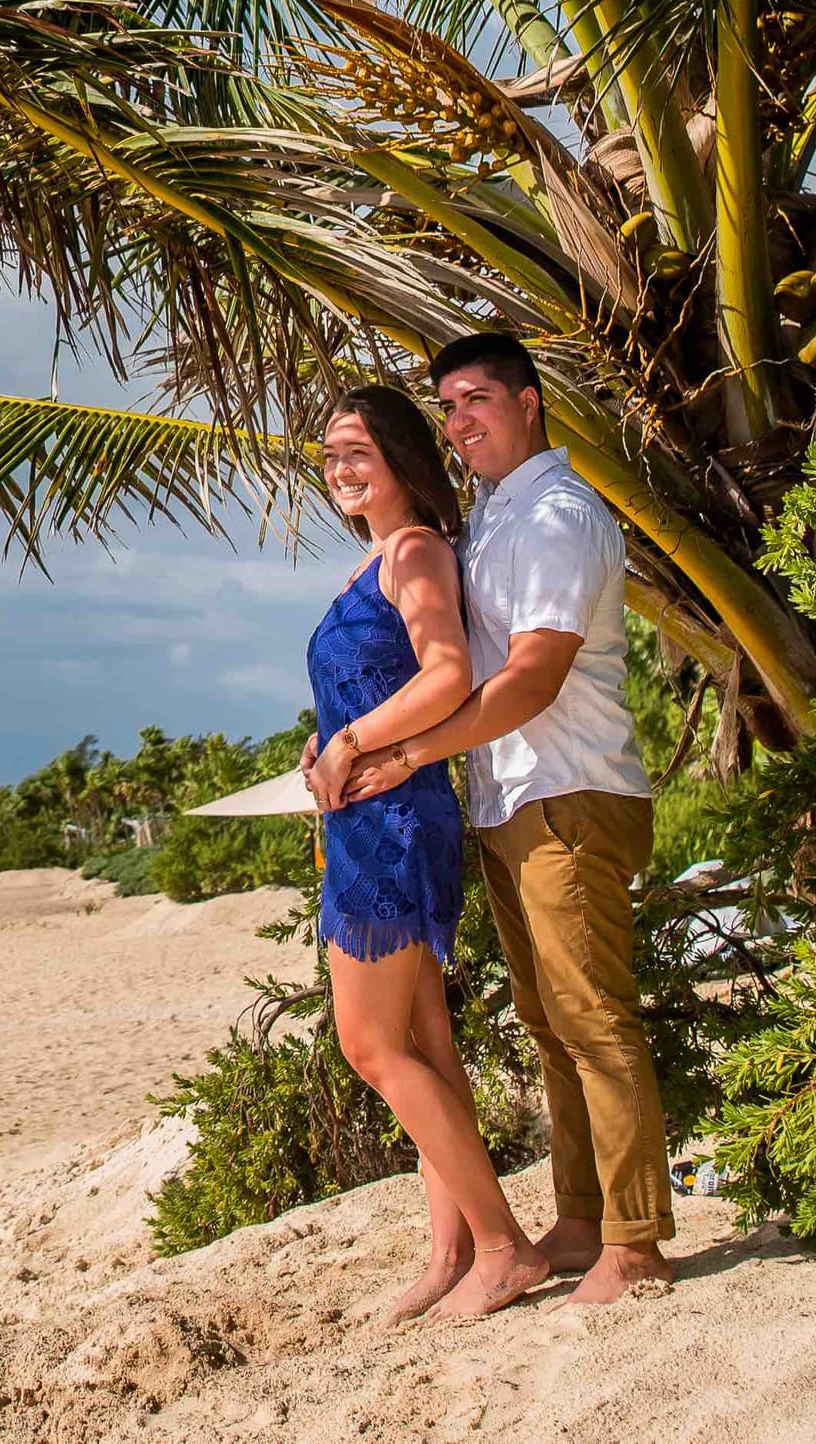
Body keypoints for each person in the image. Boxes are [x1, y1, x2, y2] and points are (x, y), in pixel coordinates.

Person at [331, 332, 673, 1307]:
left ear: (531, 401)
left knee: (595, 1020)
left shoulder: (559, 513)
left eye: (477, 398)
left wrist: (403, 753)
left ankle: (637, 1239)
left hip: (569, 787)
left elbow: (531, 673)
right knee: (548, 1020)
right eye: (448, 407)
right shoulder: (494, 517)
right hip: (511, 796)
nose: (459, 421)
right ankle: (579, 1216)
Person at [296, 381, 558, 1322]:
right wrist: (326, 741)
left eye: (357, 452)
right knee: (425, 1043)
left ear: (404, 459)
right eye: (330, 456)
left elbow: (448, 676)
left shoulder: (413, 552)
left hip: (397, 817)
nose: (340, 470)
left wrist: (357, 742)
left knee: (370, 1046)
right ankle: (452, 1251)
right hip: (369, 815)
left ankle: (502, 1245)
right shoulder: (372, 563)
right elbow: (374, 689)